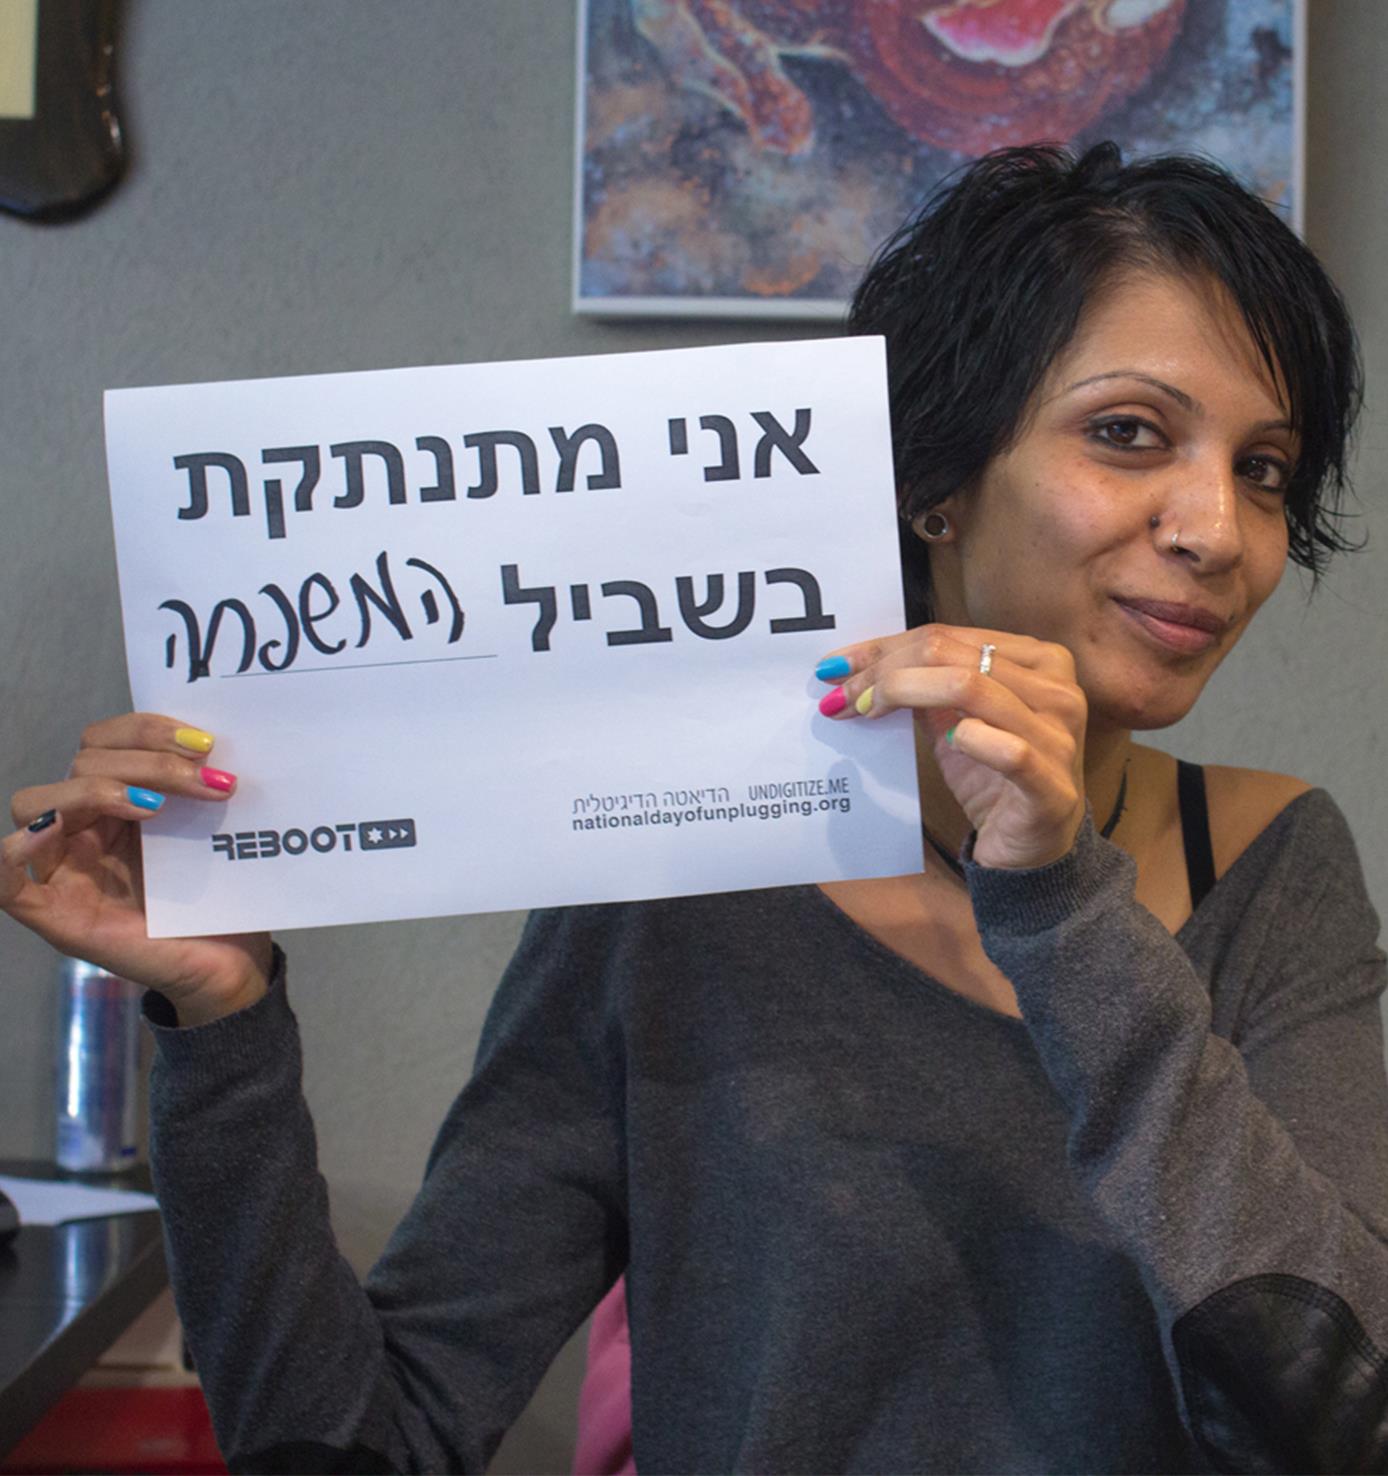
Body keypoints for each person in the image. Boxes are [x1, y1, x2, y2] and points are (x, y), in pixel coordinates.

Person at [2, 141, 1385, 1473]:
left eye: (1263, 469)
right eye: (1129, 434)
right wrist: (221, 1022)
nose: (1218, 529)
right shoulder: (681, 866)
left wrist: (1059, 901)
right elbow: (369, 1443)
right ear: (935, 486)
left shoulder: (1275, 865)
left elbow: (1341, 1416)